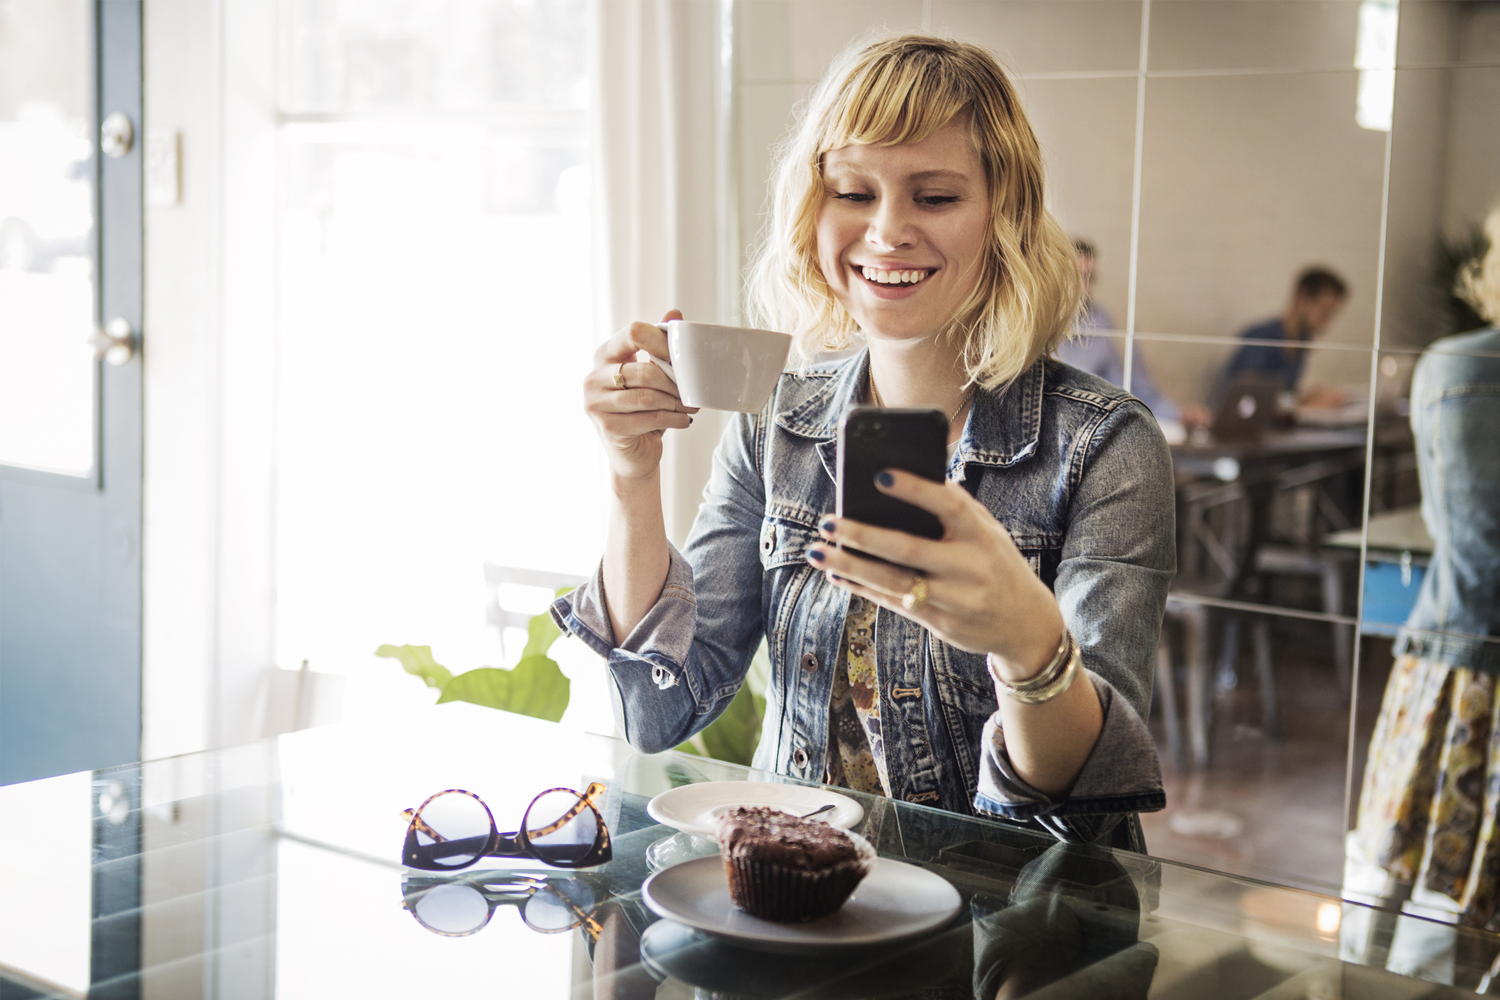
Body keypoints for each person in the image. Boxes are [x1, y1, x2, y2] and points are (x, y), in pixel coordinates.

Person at [553, 35, 1173, 849]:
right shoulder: (776, 421)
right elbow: (665, 707)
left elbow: (1080, 808)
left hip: (1001, 933)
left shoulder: (1103, 445)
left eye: (935, 197)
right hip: (796, 899)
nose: (886, 232)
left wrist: (1029, 643)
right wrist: (632, 476)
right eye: (853, 190)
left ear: (1005, 216)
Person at [1346, 206, 1500, 969]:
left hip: (1458, 650)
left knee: (1404, 877)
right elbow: (1463, 531)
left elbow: (1455, 527)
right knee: (1453, 903)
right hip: (1470, 654)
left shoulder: (1458, 366)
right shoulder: (1466, 368)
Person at [1055, 239, 1209, 428]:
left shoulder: (1104, 323)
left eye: (1090, 278)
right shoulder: (1042, 329)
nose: (1084, 287)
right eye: (1077, 276)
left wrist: (1179, 415)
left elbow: (1141, 391)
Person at [1216, 266, 1349, 407]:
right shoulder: (1261, 337)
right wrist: (1306, 407)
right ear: (1302, 297)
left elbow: (1283, 396)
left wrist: (1305, 398)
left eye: (1332, 314)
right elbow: (1246, 400)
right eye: (1324, 310)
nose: (1327, 321)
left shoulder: (1301, 341)